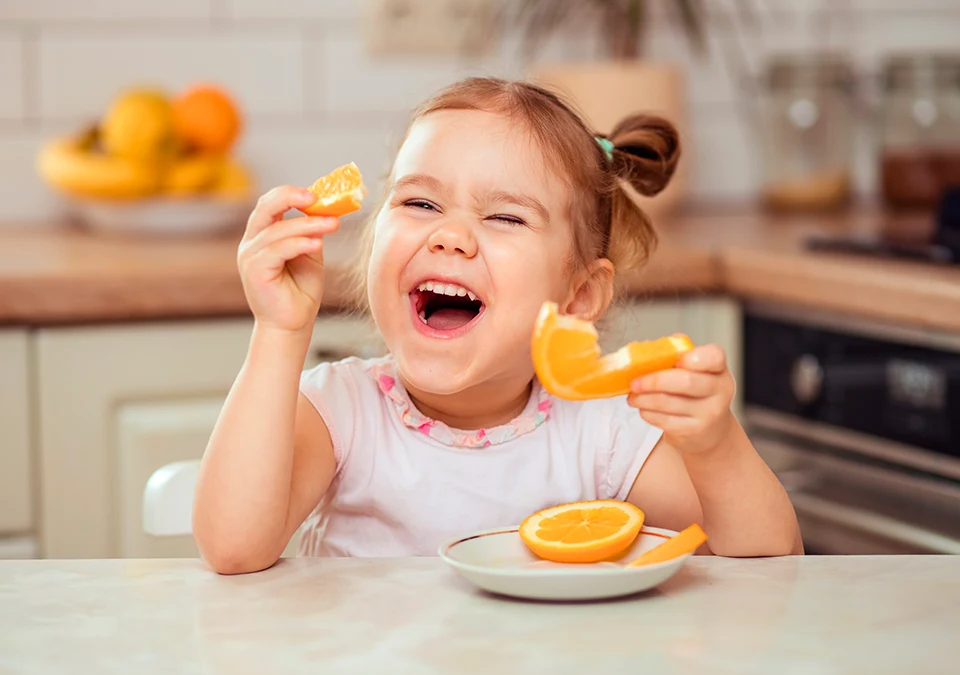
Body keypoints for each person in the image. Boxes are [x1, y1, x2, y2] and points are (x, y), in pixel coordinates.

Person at [193, 77, 802, 574]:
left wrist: (715, 445)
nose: (451, 236)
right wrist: (279, 333)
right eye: (420, 203)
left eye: (505, 217)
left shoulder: (604, 431)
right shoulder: (341, 411)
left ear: (580, 294)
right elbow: (234, 548)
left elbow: (768, 561)